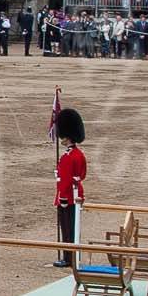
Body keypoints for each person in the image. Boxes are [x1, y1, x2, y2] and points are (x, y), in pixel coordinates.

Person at [53, 108, 87, 269]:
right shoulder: (78, 154)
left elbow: (65, 181)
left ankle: (68, 257)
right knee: (73, 227)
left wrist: (63, 199)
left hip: (68, 197)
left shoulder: (68, 157)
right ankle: (73, 254)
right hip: (76, 194)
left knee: (67, 228)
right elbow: (80, 174)